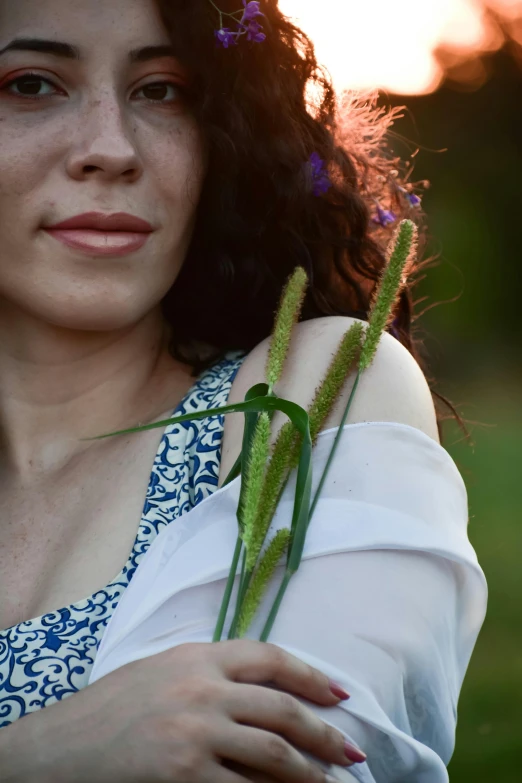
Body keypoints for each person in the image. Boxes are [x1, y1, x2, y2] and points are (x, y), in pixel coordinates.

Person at [0, 1, 487, 781]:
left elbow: (300, 759)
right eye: (30, 83)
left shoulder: (313, 388)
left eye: (162, 90)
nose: (110, 149)